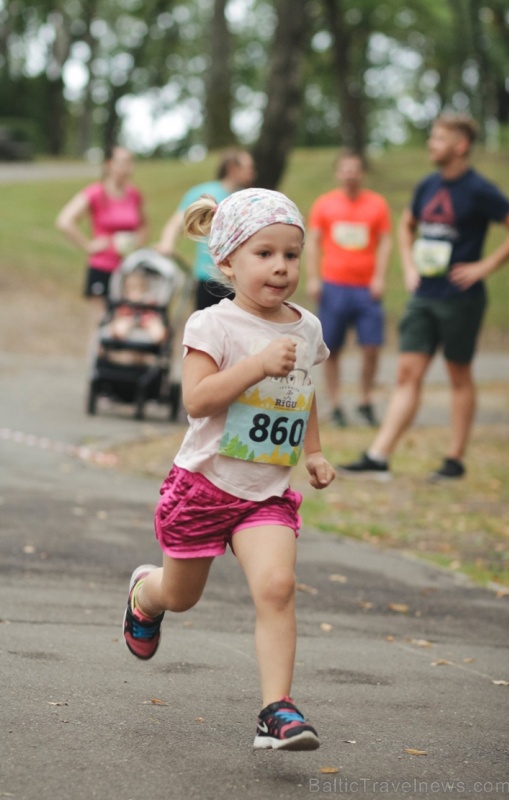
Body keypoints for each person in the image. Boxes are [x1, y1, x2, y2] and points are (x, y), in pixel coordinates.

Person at [123, 188, 335, 751]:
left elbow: (303, 393)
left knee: (277, 587)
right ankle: (146, 595)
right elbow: (197, 400)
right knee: (181, 596)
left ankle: (276, 710)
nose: (280, 267)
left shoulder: (307, 327)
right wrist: (257, 364)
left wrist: (312, 451)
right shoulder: (211, 325)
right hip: (204, 488)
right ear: (227, 262)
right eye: (264, 253)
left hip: (266, 492)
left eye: (291, 254)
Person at [338, 113, 509, 481]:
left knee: (459, 373)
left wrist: (484, 266)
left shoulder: (479, 189)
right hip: (424, 295)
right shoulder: (428, 185)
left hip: (461, 297)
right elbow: (407, 223)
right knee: (406, 373)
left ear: (461, 146)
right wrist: (409, 266)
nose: (431, 143)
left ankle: (454, 459)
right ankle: (379, 455)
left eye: (439, 138)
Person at [306, 151, 393, 428]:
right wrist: (313, 278)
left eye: (355, 169)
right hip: (333, 285)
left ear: (362, 173)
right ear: (338, 173)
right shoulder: (325, 204)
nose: (350, 174)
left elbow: (386, 242)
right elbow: (313, 242)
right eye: (345, 169)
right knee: (332, 348)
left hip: (366, 288)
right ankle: (336, 404)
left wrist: (379, 277)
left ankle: (365, 400)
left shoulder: (377, 205)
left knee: (371, 346)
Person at [56, 145, 148, 323]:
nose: (127, 168)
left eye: (130, 163)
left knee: (126, 322)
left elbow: (144, 226)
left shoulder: (134, 194)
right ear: (109, 165)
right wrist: (88, 245)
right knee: (101, 322)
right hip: (102, 266)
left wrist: (138, 244)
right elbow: (64, 221)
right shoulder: (96, 192)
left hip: (128, 270)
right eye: (122, 163)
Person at [156, 148, 256, 309]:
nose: (253, 173)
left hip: (240, 279)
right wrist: (167, 243)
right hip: (209, 278)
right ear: (232, 168)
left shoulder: (248, 198)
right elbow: (176, 223)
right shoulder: (204, 192)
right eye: (249, 168)